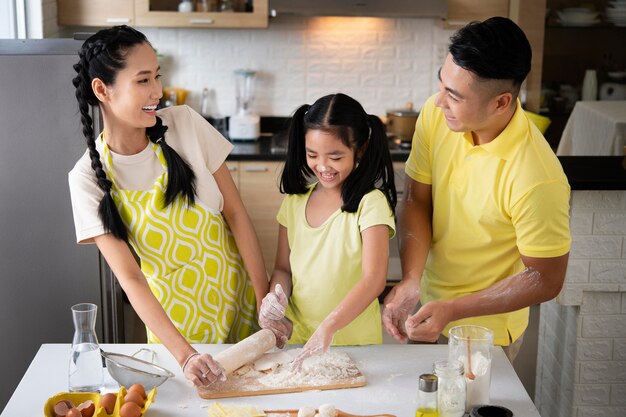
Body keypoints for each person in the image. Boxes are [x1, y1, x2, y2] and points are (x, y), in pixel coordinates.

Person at [68, 25, 269, 386]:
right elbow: (130, 277)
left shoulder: (185, 125)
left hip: (241, 307)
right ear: (102, 90)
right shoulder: (86, 177)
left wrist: (265, 300)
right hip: (177, 334)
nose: (157, 91)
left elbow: (237, 215)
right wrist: (185, 354)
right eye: (143, 80)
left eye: (157, 77)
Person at [382, 17, 571, 361]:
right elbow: (416, 200)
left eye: (453, 96)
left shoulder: (537, 177)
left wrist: (452, 309)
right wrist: (411, 278)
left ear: (500, 103)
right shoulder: (435, 115)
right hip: (428, 308)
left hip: (486, 334)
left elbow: (546, 278)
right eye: (441, 85)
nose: (439, 102)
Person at [258, 93, 397, 369]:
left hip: (356, 344)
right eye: (312, 154)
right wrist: (276, 298)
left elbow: (374, 281)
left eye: (335, 156)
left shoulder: (371, 204)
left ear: (361, 149)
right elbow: (283, 269)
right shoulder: (293, 202)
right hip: (300, 341)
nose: (322, 166)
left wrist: (328, 328)